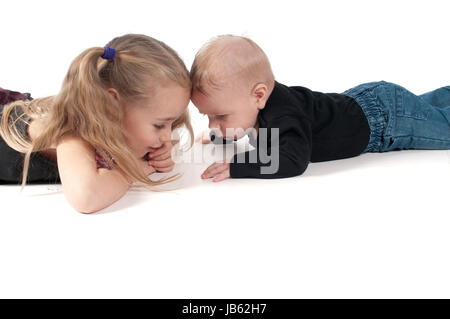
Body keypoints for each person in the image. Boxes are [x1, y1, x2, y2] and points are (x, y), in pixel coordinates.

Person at [190, 35, 450, 182]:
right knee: (428, 108)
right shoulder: (256, 103)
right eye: (209, 117)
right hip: (372, 102)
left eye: (221, 116)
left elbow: (294, 160)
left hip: (386, 122)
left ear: (258, 95)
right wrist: (220, 132)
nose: (214, 124)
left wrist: (238, 166)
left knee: (444, 127)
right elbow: (245, 124)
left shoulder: (284, 116)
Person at [0, 34, 193, 213]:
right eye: (159, 125)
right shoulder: (73, 132)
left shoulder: (113, 121)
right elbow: (86, 197)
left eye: (171, 124)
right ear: (112, 105)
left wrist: (155, 152)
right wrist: (132, 170)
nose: (168, 136)